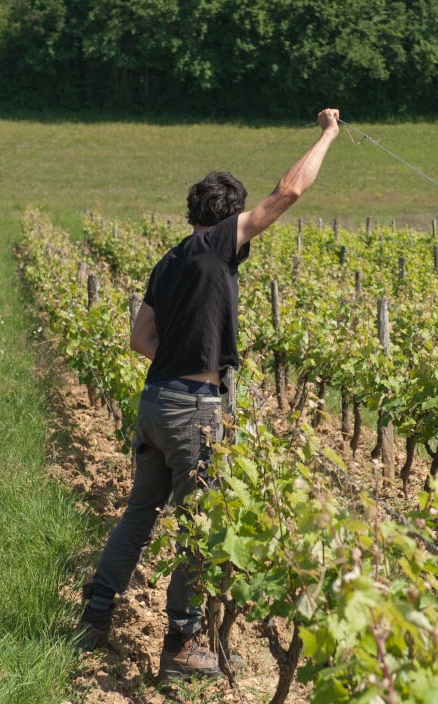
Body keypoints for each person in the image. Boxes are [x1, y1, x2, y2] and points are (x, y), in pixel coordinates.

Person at [76, 108, 342, 683]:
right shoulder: (215, 247)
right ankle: (182, 643)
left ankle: (95, 613)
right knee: (200, 525)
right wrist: (328, 133)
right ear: (227, 220)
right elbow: (290, 191)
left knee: (139, 513)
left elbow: (139, 339)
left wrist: (178, 359)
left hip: (153, 402)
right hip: (192, 411)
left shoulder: (169, 260)